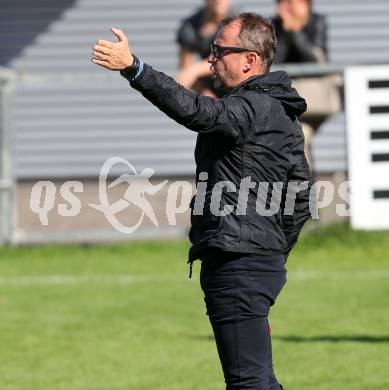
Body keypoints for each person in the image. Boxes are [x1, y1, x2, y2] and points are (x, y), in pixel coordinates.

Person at [92, 13, 313, 389]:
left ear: (249, 60)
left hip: (239, 265)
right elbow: (300, 195)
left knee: (248, 382)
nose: (210, 58)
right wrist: (273, 251)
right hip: (255, 263)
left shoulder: (252, 108)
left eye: (219, 50)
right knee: (258, 379)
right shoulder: (276, 111)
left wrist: (135, 68)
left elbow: (198, 111)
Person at [175, 0, 232, 97]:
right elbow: (185, 67)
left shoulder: (237, 23)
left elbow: (227, 60)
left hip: (236, 92)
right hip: (209, 92)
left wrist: (195, 69)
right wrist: (206, 96)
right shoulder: (191, 26)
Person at [272, 0, 327, 64]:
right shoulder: (275, 24)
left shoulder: (317, 21)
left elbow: (316, 59)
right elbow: (274, 61)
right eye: (281, 2)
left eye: (290, 2)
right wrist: (285, 32)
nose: (284, 6)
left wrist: (294, 30)